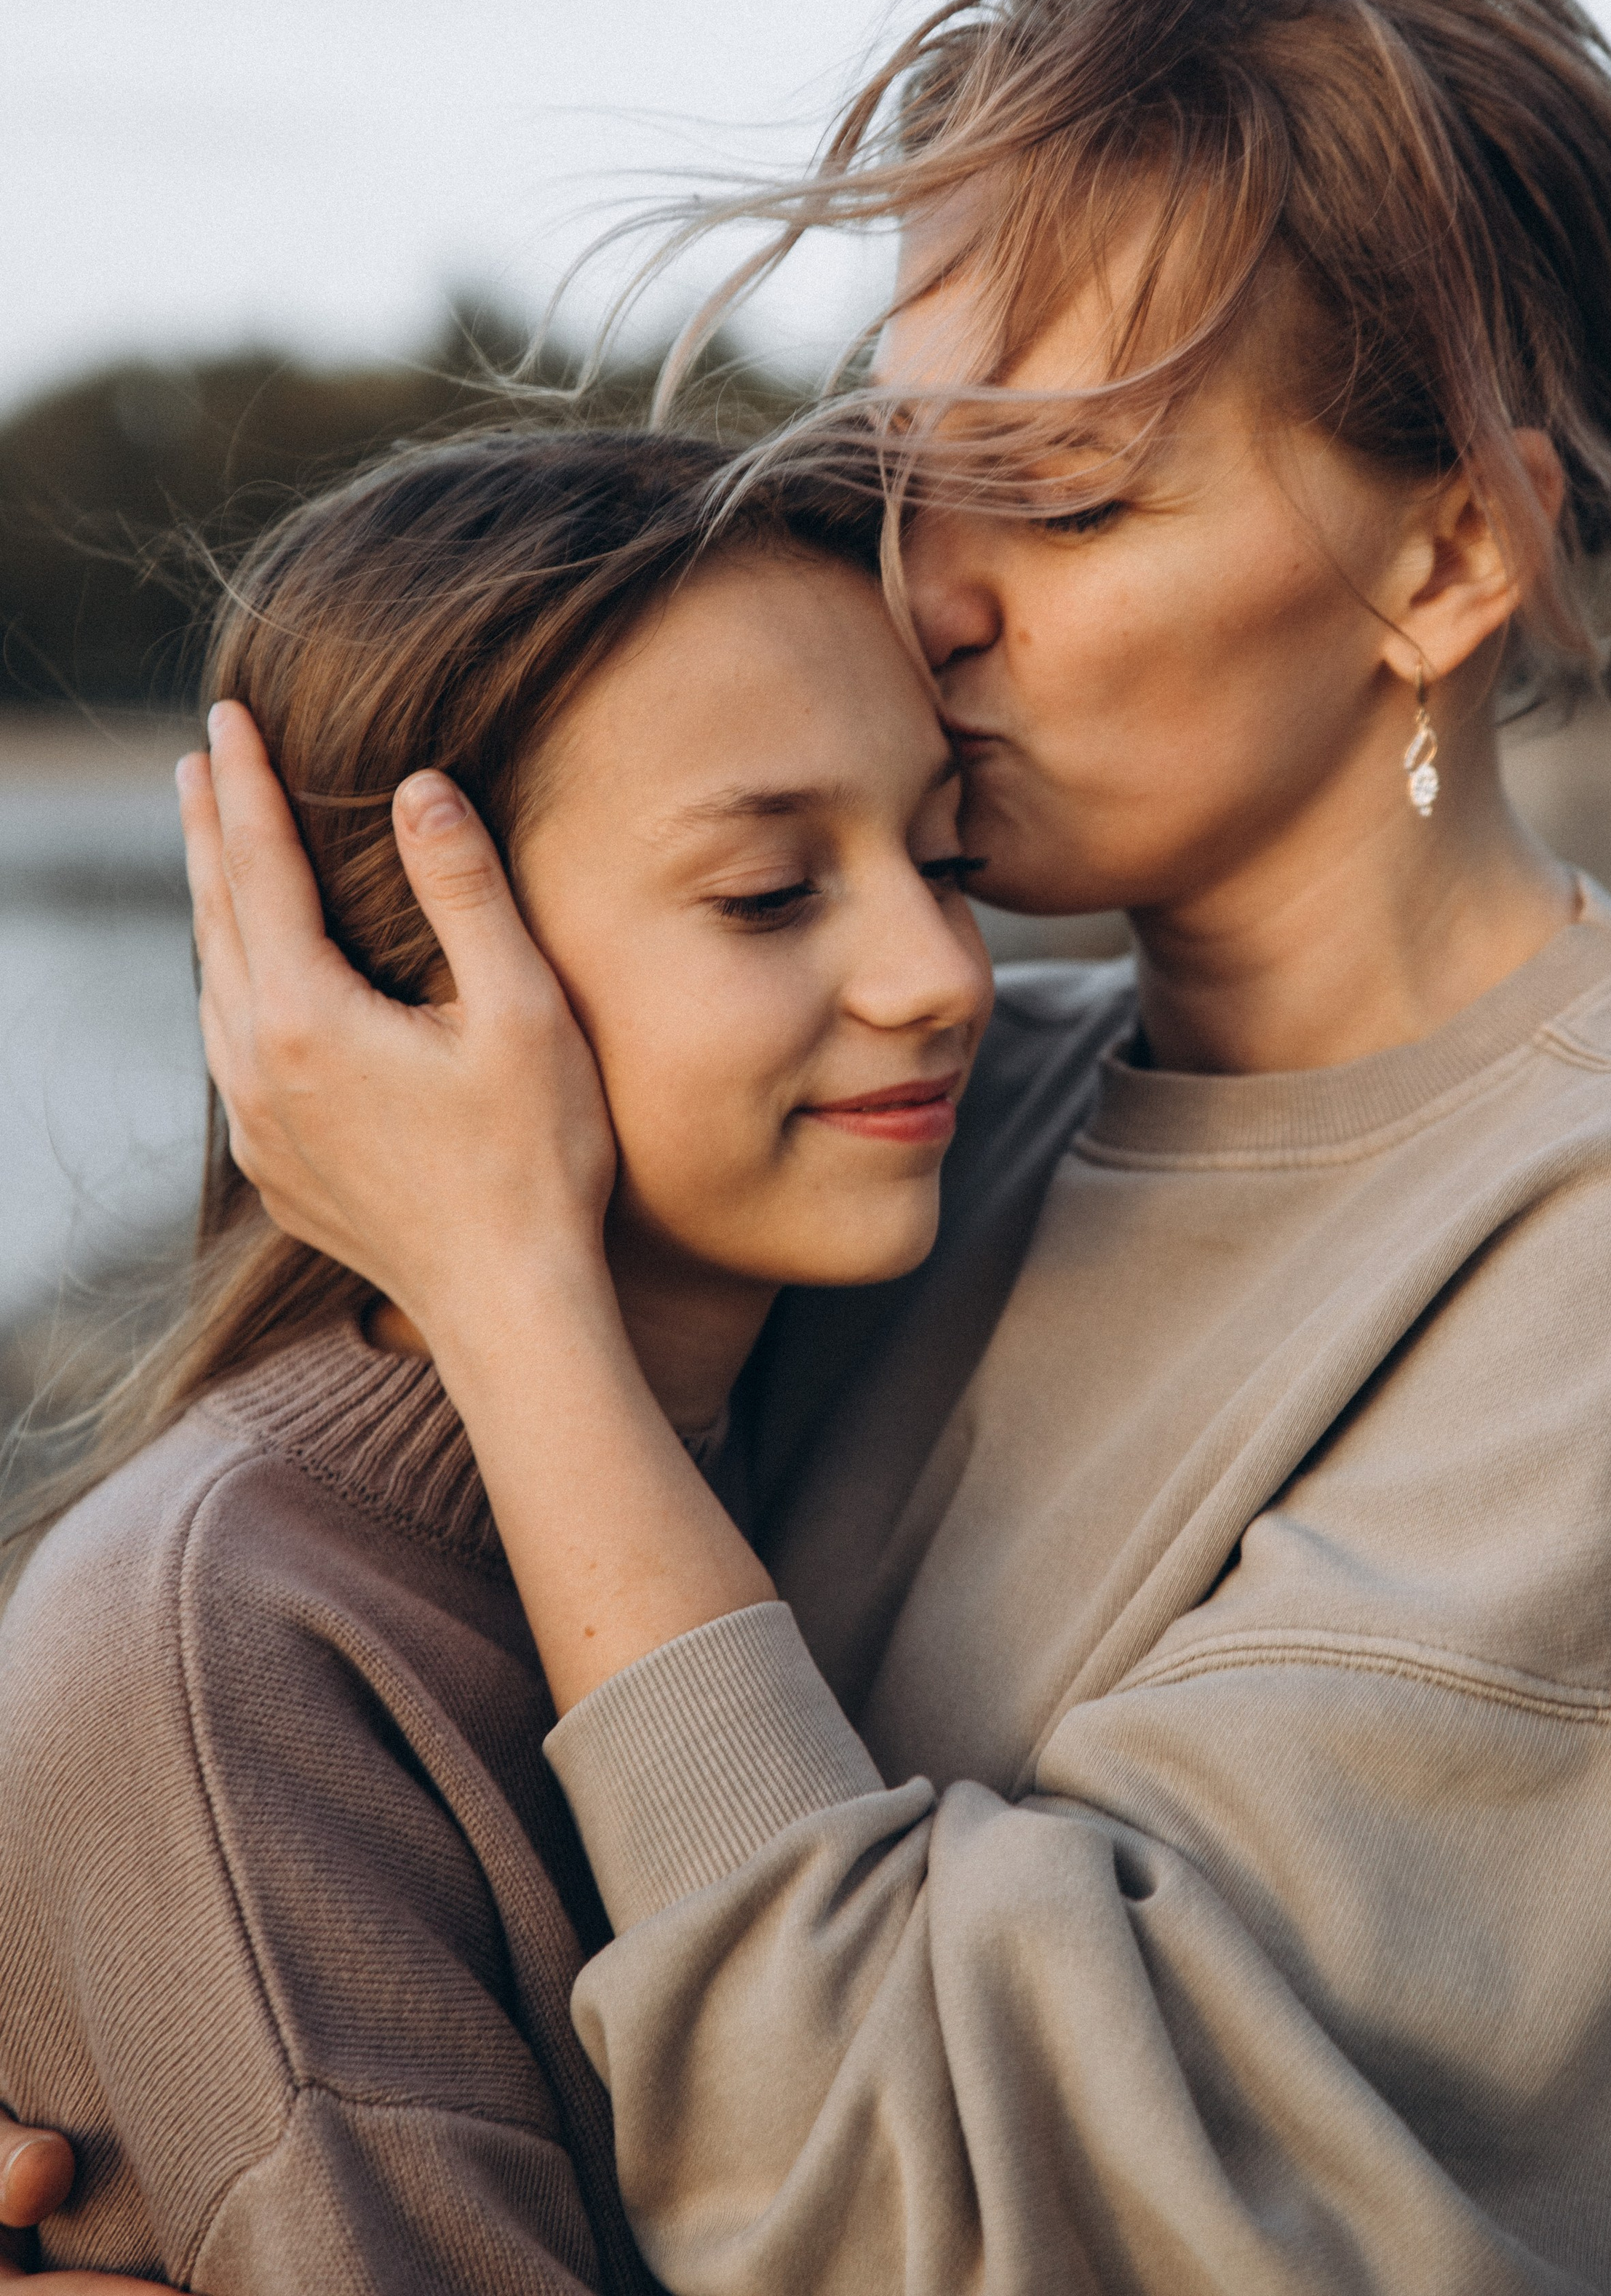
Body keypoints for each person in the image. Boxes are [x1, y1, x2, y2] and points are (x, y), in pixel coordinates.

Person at [7, 0, 1611, 2293]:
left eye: (1065, 502)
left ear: (1450, 555)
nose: (930, 597)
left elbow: (963, 2224)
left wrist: (506, 1297)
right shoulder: (944, 1119)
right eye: (907, 480)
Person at [0, 426, 991, 2289]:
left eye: (951, 853)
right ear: (395, 975)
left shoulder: (850, 1390)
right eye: (770, 894)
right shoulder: (232, 1647)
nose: (939, 971)